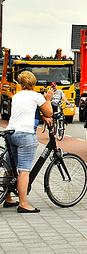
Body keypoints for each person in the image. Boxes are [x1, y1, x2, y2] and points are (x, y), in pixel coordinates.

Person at [3, 71, 53, 213]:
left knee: (10, 167)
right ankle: (23, 203)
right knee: (24, 171)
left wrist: (40, 116)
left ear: (20, 83)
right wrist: (48, 99)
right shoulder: (36, 96)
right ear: (33, 83)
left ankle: (7, 198)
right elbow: (49, 112)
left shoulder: (17, 96)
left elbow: (26, 111)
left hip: (11, 133)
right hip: (25, 134)